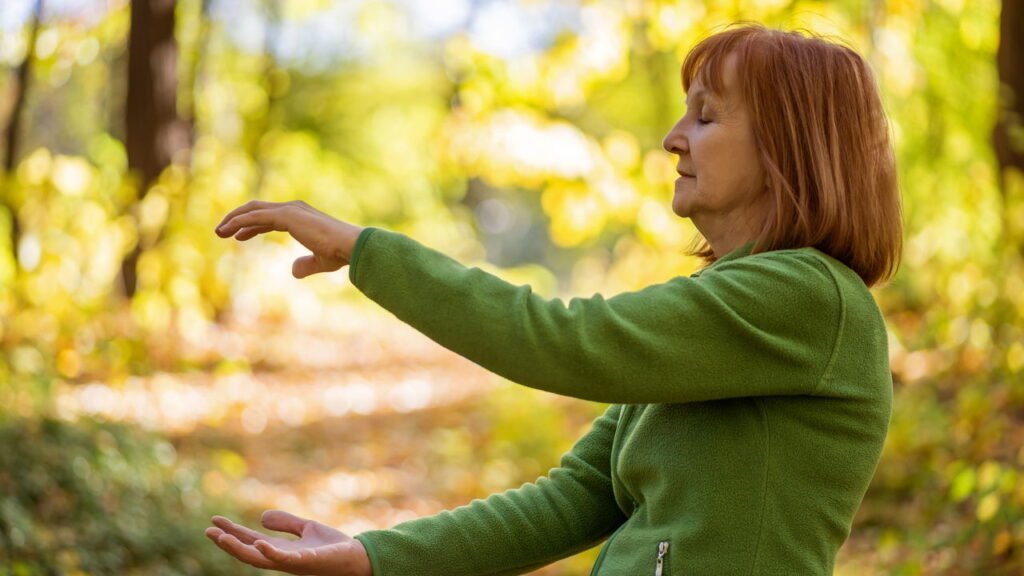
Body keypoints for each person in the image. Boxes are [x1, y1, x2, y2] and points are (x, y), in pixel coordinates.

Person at [204, 21, 902, 576]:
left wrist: (365, 250)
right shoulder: (725, 309)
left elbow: (561, 341)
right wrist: (375, 556)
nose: (673, 139)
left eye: (707, 117)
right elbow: (575, 497)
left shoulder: (806, 300)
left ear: (790, 148)